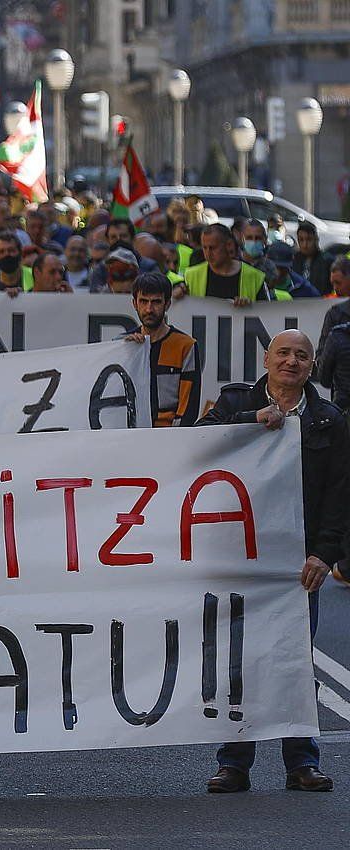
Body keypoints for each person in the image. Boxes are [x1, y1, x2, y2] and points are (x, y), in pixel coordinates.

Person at [198, 330, 345, 795]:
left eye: (301, 356)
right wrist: (246, 421)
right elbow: (193, 444)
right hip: (238, 556)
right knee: (237, 660)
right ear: (266, 359)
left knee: (294, 663)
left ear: (311, 365)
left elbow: (340, 494)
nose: (291, 362)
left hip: (298, 564)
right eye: (283, 353)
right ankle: (233, 763)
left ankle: (301, 762)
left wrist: (325, 553)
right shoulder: (233, 402)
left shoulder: (329, 420)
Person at [123, 272, 201, 426]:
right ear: (135, 304)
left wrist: (171, 440)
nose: (149, 309)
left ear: (167, 304)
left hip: (168, 437)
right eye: (143, 301)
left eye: (156, 302)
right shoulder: (124, 344)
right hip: (129, 436)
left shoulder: (185, 345)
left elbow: (188, 408)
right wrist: (125, 352)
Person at [175, 224, 289, 305]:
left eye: (213, 248)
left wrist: (251, 308)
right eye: (205, 247)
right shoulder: (191, 276)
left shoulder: (255, 277)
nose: (208, 253)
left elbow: (266, 314)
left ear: (229, 245)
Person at [0, 230, 32, 294]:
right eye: (1, 252)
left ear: (20, 253)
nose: (7, 255)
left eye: (11, 250)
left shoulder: (36, 277)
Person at [295, 221, 334, 295]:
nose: (305, 245)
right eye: (301, 240)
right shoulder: (294, 259)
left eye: (309, 240)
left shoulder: (327, 261)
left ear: (316, 239)